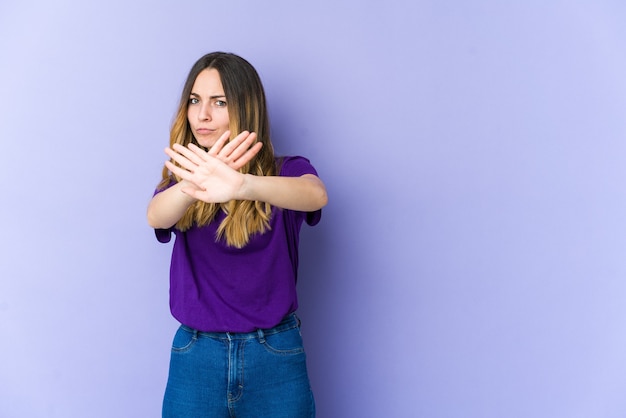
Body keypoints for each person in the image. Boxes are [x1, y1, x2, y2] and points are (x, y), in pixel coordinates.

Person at [147, 51, 327, 417]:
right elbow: (156, 216)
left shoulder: (285, 171)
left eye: (219, 102)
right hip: (196, 355)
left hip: (274, 354)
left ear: (245, 107)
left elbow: (315, 194)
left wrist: (243, 185)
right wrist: (193, 182)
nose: (203, 115)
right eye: (195, 101)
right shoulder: (182, 180)